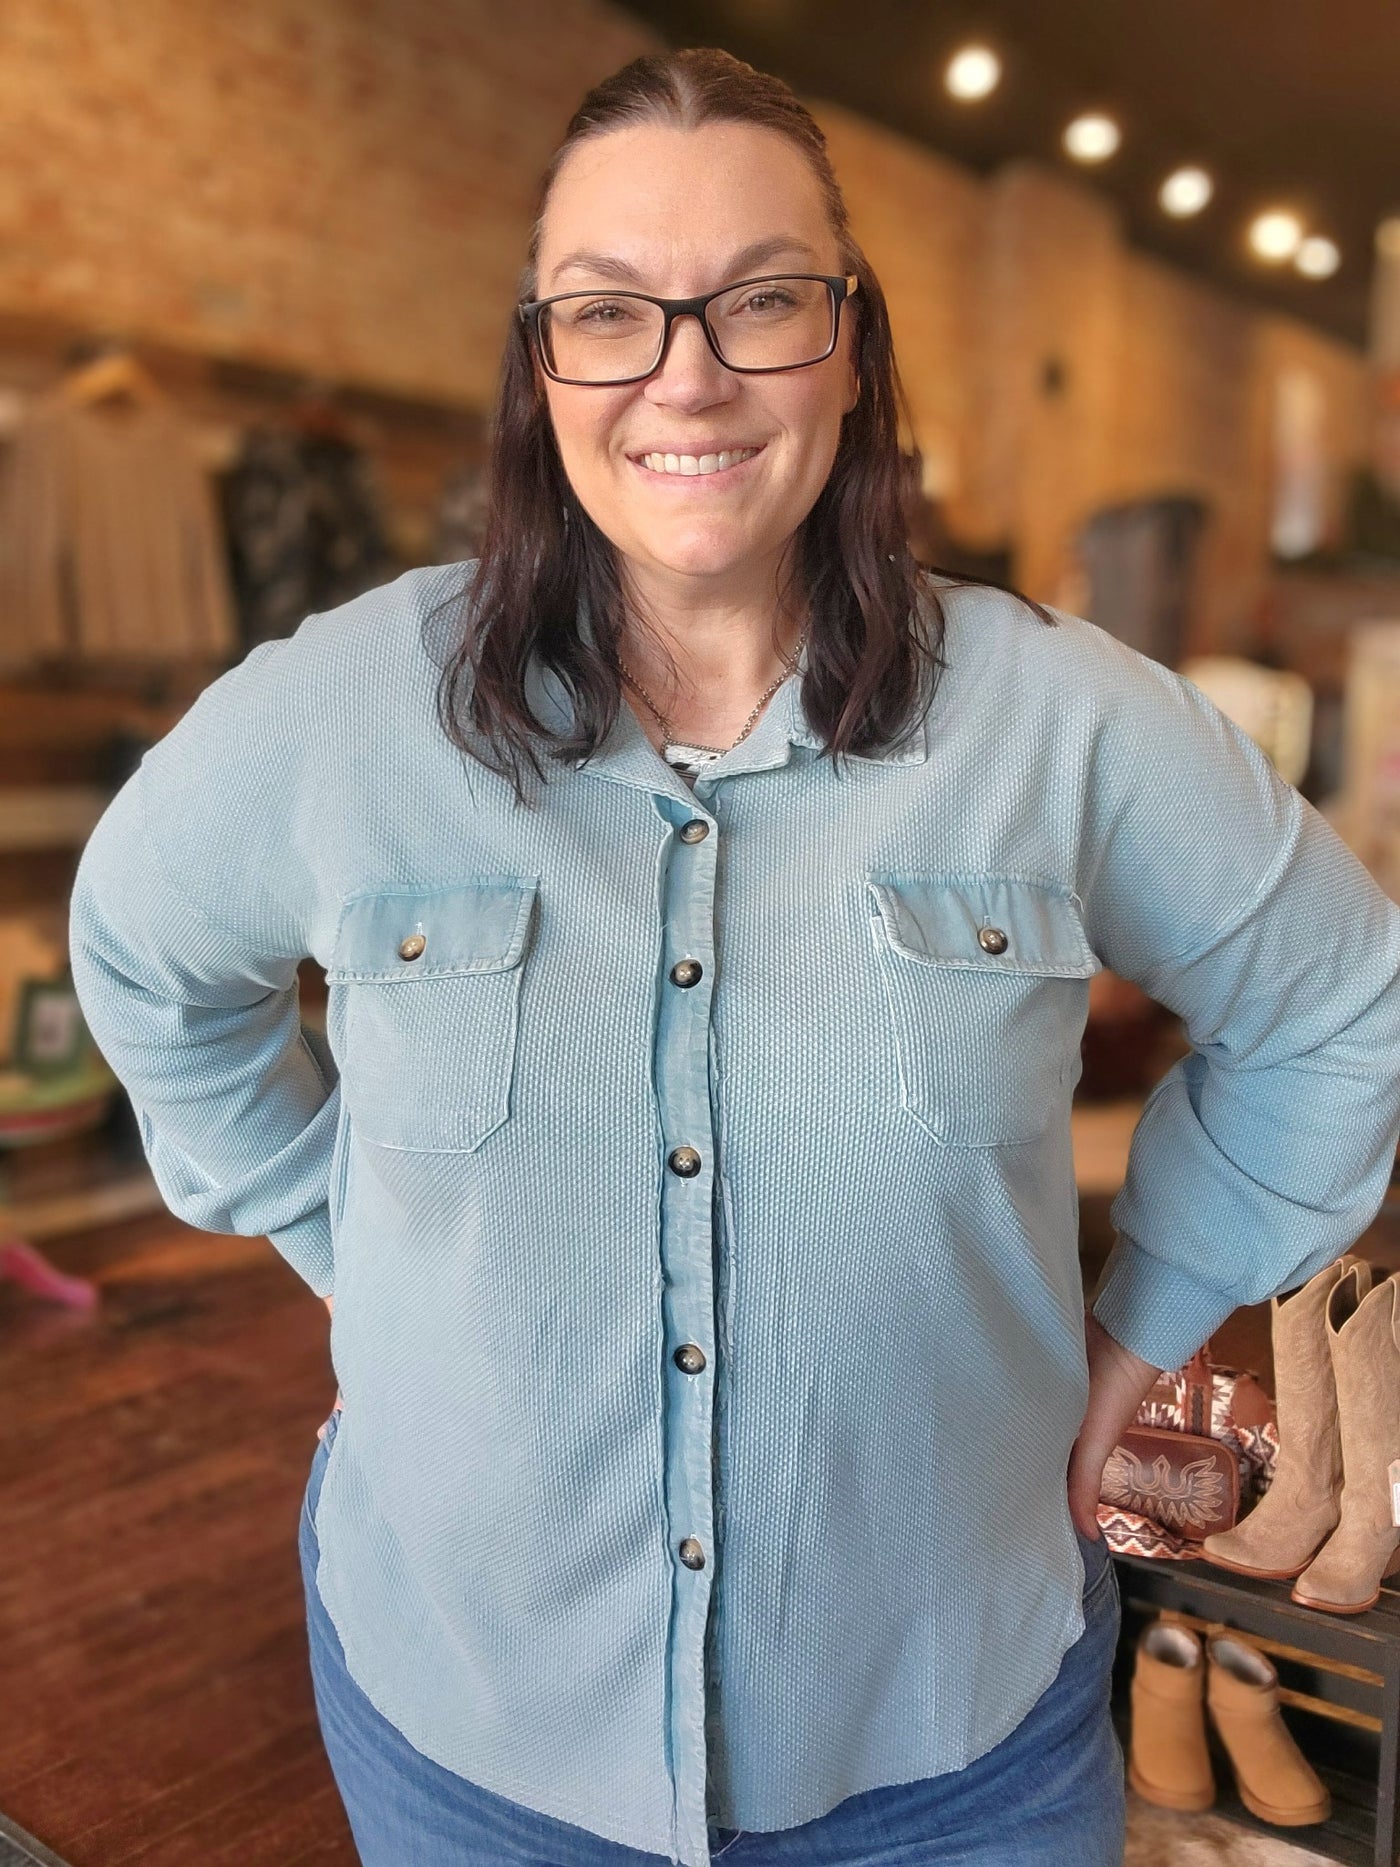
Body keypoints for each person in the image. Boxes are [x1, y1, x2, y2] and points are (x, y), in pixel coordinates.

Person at [68, 46, 1400, 1867]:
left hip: (954, 1746)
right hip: (477, 1744)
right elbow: (140, 953)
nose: (685, 374)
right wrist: (338, 1242)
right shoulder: (337, 714)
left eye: (762, 299)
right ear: (540, 365)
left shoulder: (1064, 723)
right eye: (611, 310)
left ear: (850, 344)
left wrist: (1140, 1333)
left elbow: (1344, 1006)